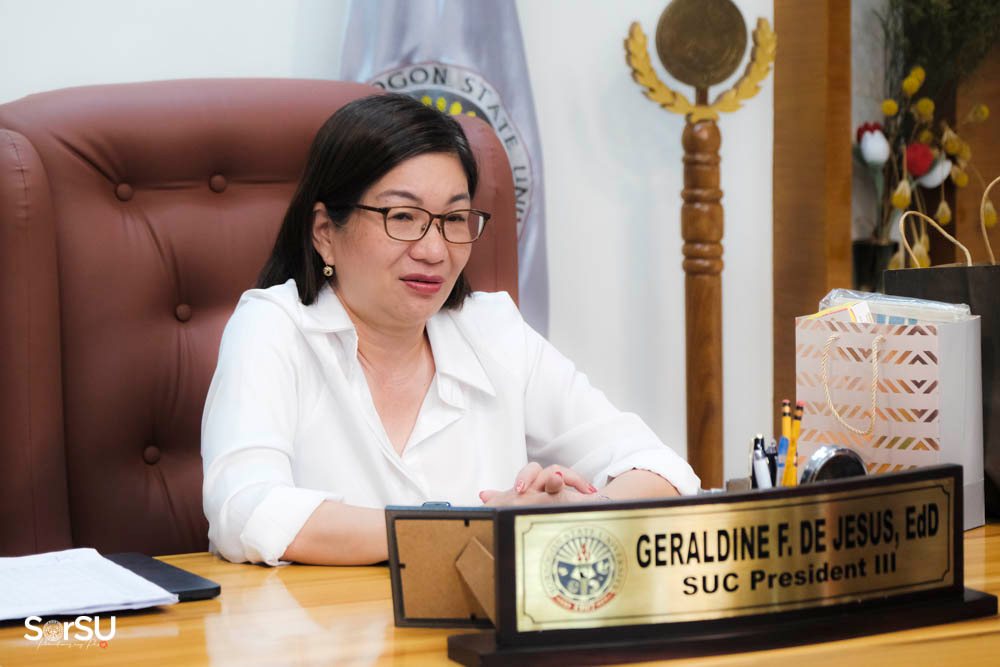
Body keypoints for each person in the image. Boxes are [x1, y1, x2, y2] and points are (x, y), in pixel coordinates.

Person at [201, 94, 699, 567]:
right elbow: (245, 512)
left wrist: (578, 512)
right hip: (323, 625)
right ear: (325, 232)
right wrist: (476, 529)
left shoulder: (493, 329)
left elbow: (662, 468)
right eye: (403, 216)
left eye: (455, 219)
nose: (434, 251)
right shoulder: (273, 327)